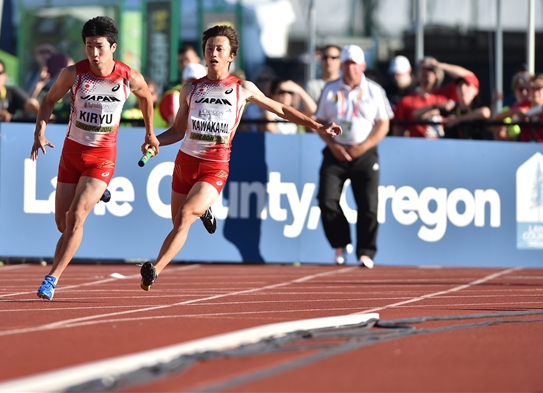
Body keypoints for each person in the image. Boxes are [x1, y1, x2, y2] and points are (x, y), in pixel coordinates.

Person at [138, 25, 340, 291]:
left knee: (186, 215)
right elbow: (177, 131)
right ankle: (204, 211)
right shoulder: (190, 89)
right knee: (177, 220)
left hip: (215, 166)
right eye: (209, 48)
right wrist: (155, 141)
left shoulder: (242, 88)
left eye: (219, 49)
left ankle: (155, 269)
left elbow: (280, 108)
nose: (213, 53)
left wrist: (316, 125)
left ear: (231, 55)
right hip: (185, 161)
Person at [31, 16, 159, 301]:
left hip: (101, 157)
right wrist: (39, 131)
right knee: (63, 224)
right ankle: (100, 191)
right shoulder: (73, 74)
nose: (94, 53)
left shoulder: (128, 77)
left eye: (99, 46)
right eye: (89, 46)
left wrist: (150, 133)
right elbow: (49, 100)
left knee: (77, 217)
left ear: (113, 47)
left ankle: (51, 279)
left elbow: (147, 98)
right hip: (72, 153)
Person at [315, 45, 393, 269]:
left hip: (365, 154)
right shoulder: (330, 89)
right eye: (346, 63)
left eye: (354, 63)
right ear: (342, 65)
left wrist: (364, 146)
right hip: (335, 152)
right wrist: (333, 145)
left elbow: (383, 123)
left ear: (363, 65)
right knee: (327, 200)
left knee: (368, 204)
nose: (350, 67)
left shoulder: (374, 90)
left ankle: (366, 252)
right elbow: (319, 122)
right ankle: (340, 244)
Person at [393, 57, 476, 138]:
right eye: (422, 69)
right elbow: (398, 132)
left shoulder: (446, 93)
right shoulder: (406, 101)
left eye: (430, 69)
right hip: (417, 148)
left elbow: (470, 77)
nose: (426, 72)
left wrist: (439, 65)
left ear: (438, 75)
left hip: (444, 146)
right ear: (417, 74)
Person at [412, 73, 491, 140]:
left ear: (476, 90)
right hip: (451, 150)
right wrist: (437, 106)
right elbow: (417, 114)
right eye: (460, 85)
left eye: (467, 85)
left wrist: (458, 119)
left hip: (476, 149)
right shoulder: (452, 107)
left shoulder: (477, 107)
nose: (463, 89)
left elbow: (485, 113)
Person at [493, 73, 543, 143]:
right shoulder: (525, 105)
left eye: (539, 88)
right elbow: (497, 118)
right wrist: (515, 111)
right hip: (526, 149)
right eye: (532, 88)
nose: (535, 92)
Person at [155, 62, 208, 128]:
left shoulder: (205, 100)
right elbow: (178, 128)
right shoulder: (172, 97)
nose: (193, 85)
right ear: (182, 81)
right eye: (189, 82)